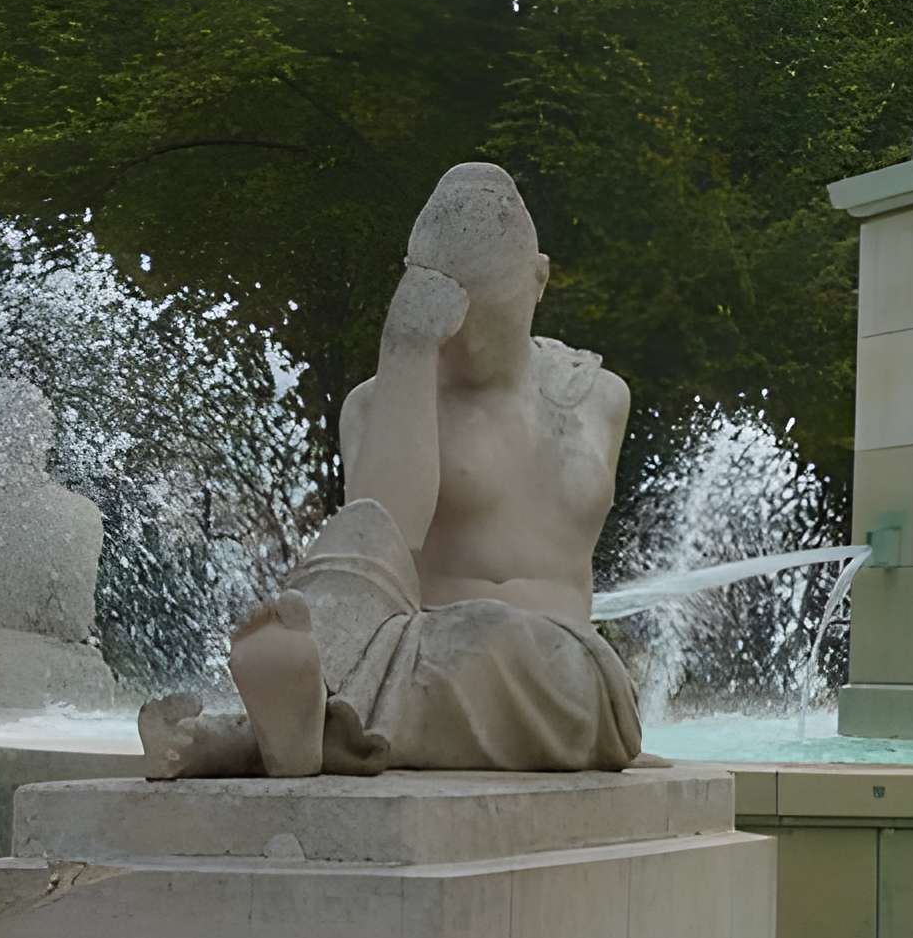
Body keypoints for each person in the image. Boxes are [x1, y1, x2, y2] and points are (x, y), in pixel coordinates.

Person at [140, 163, 643, 777]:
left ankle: (267, 737)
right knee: (350, 553)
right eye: (452, 312)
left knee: (493, 639)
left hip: (559, 676)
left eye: (492, 312)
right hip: (400, 650)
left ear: (539, 280)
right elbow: (380, 544)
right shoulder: (380, 404)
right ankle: (300, 726)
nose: (469, 338)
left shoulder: (599, 398)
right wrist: (407, 350)